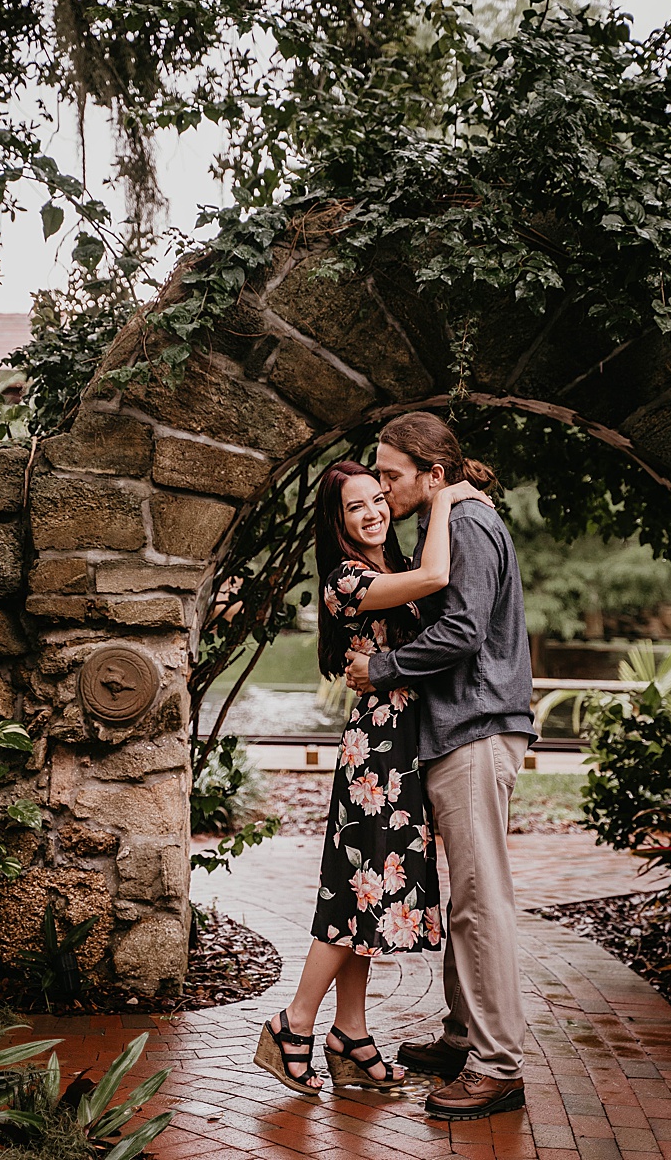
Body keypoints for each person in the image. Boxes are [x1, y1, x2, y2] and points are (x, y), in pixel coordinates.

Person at [254, 460, 487, 1096]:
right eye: (357, 507)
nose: (375, 512)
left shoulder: (387, 571)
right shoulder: (347, 581)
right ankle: (293, 1024)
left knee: (368, 900)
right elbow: (438, 576)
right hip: (377, 757)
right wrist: (444, 500)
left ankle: (350, 1034)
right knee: (354, 894)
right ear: (339, 523)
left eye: (379, 499)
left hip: (403, 750)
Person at [344, 411, 537, 1121]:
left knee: (482, 900)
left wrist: (381, 667)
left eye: (391, 475)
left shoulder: (465, 526)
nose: (382, 487)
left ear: (433, 473)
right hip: (464, 731)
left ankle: (497, 1065)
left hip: (477, 730)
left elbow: (462, 630)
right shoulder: (447, 522)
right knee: (468, 898)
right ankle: (465, 1036)